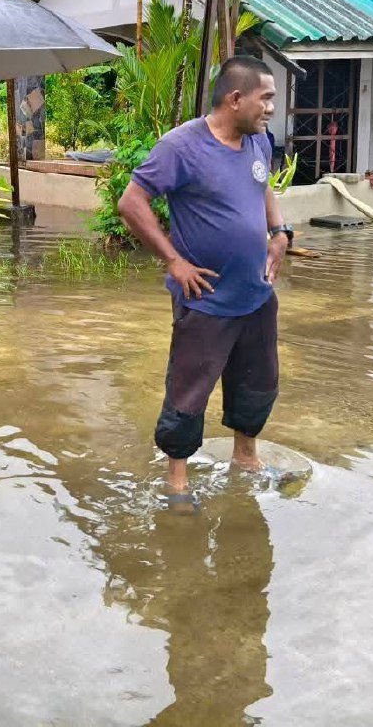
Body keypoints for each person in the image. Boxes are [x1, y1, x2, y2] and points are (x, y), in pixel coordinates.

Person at [116, 56, 291, 512]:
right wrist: (174, 261)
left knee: (258, 383)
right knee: (188, 391)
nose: (272, 107)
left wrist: (280, 232)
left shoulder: (258, 141)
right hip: (206, 300)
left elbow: (264, 185)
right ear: (236, 99)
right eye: (266, 98)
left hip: (256, 294)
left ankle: (245, 460)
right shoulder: (180, 147)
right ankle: (177, 484)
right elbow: (131, 203)